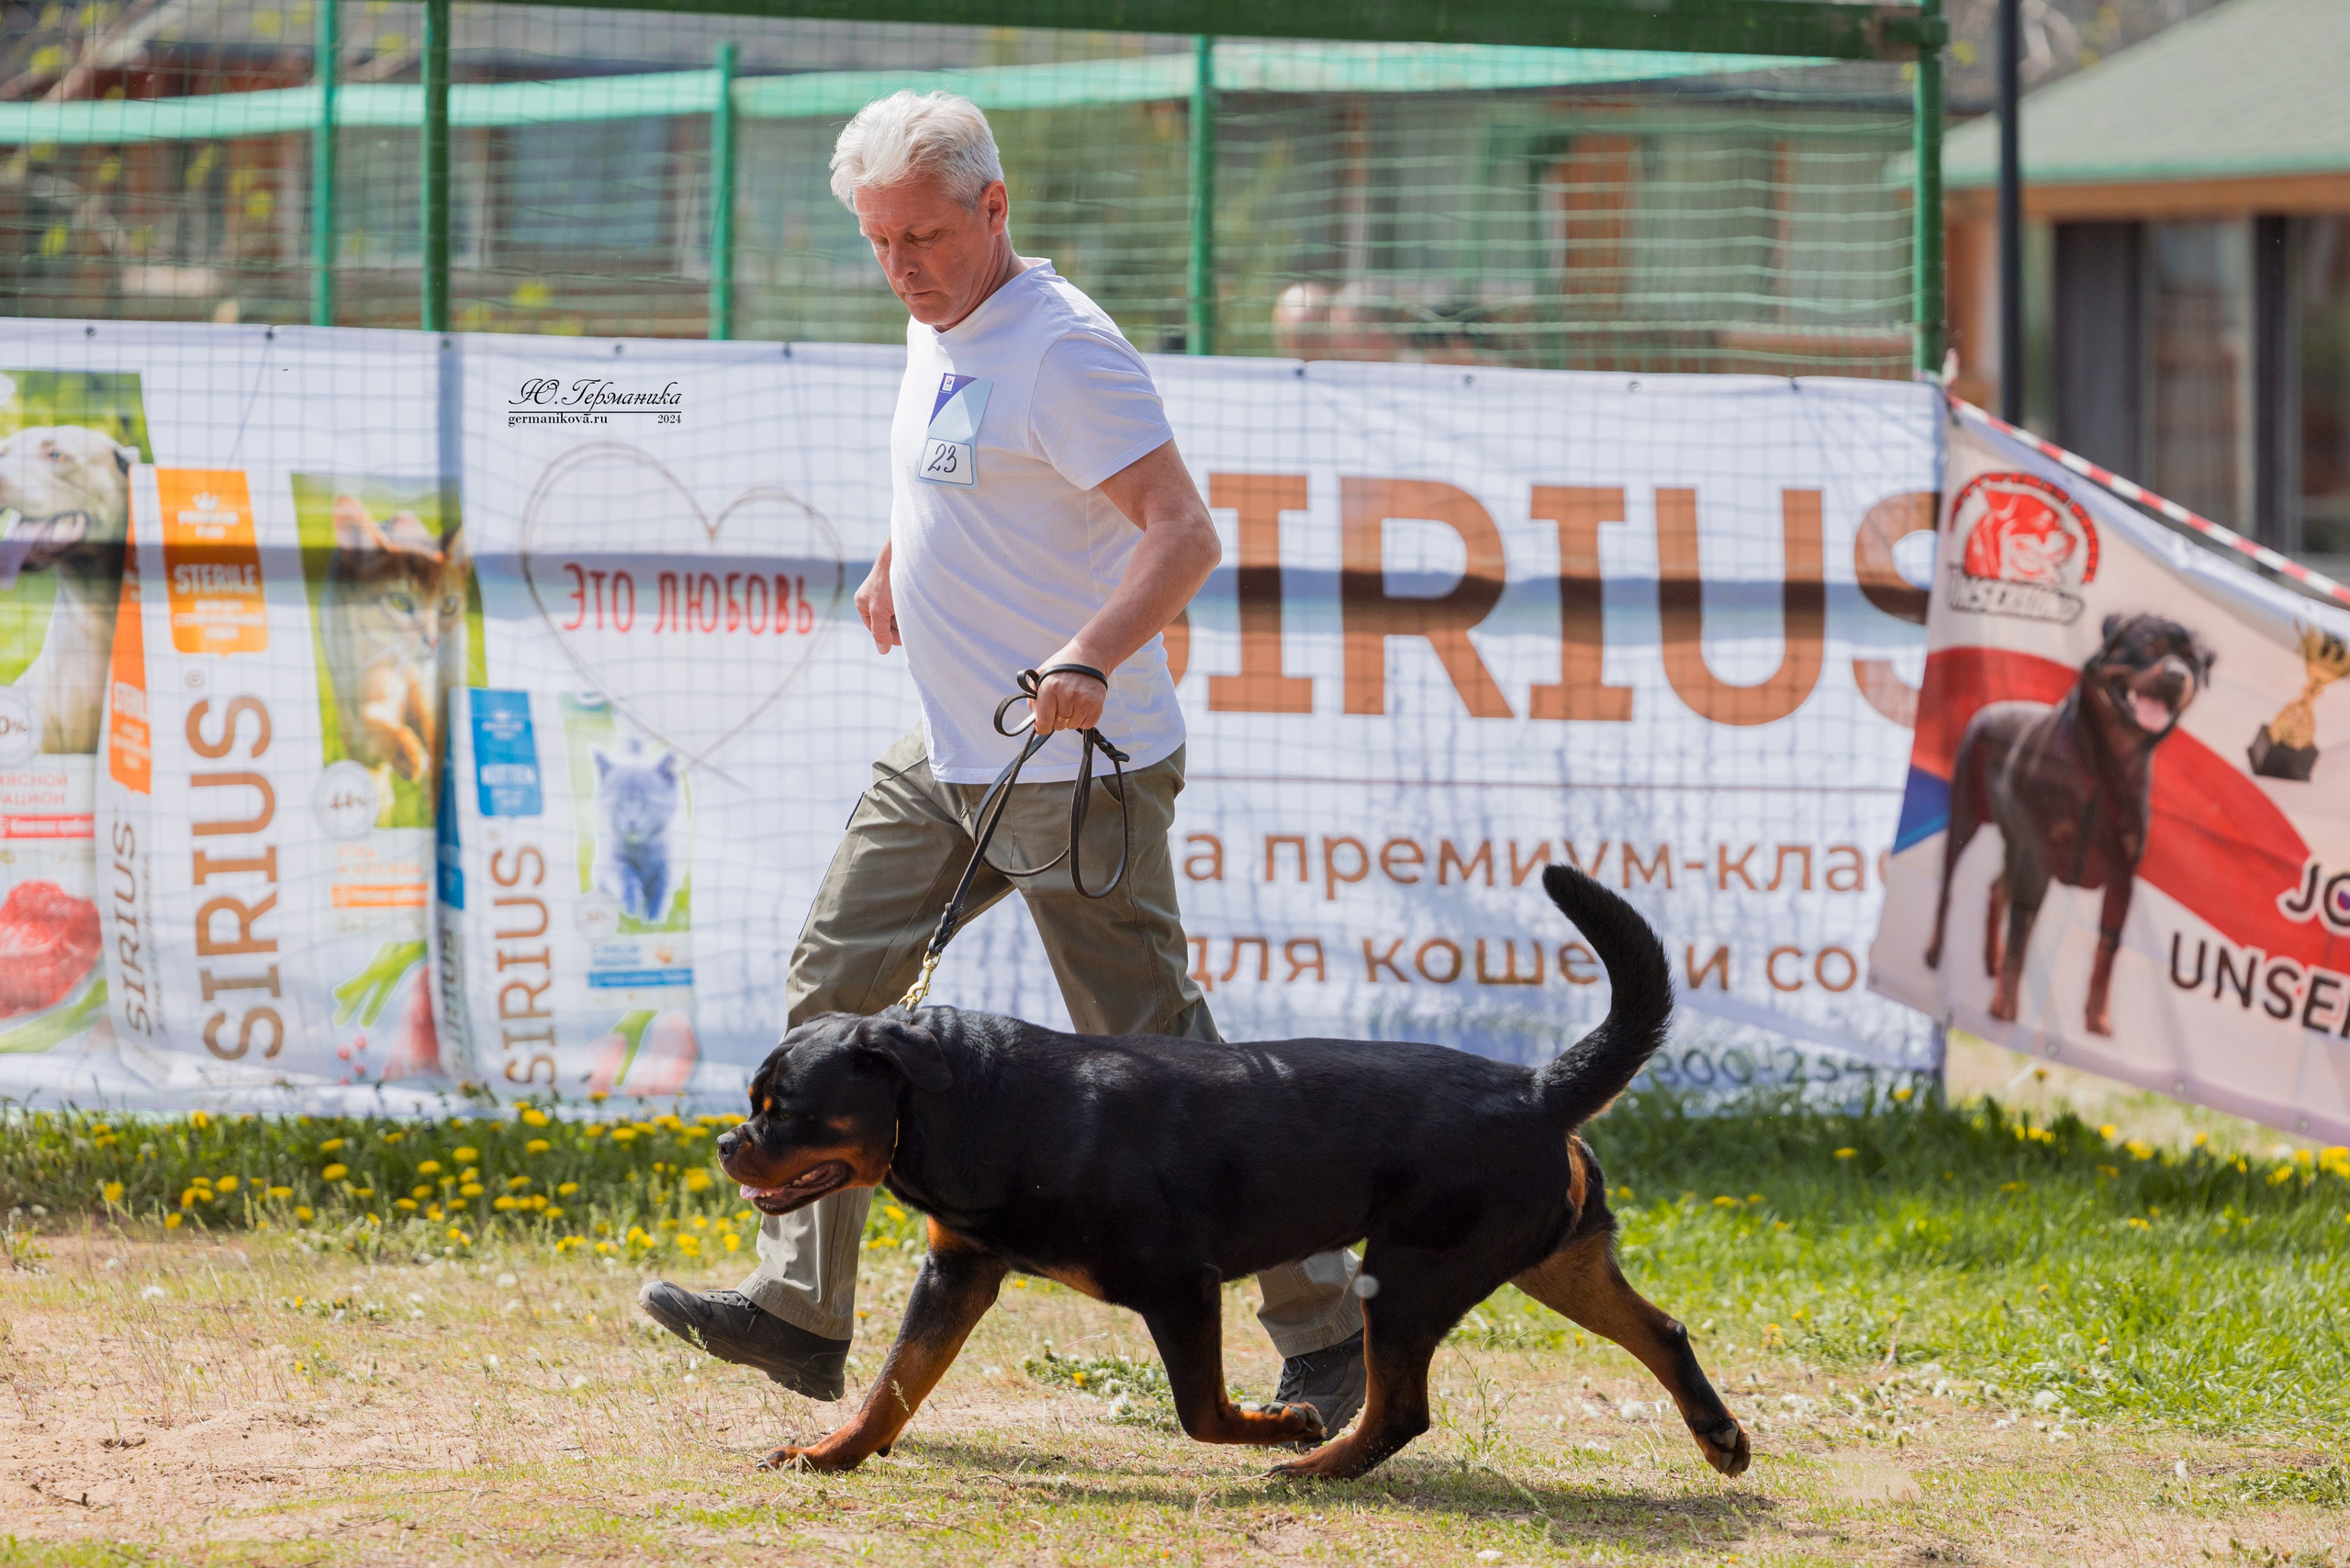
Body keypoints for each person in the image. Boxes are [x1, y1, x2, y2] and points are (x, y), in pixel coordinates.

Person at [639, 90, 1367, 1435]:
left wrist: (1090, 655)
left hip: (1075, 767)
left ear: (994, 208)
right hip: (949, 748)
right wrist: (896, 559)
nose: (901, 265)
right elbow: (965, 475)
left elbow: (1182, 534)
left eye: (922, 234)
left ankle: (1329, 1333)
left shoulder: (1066, 351)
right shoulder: (944, 321)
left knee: (1163, 1065)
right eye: (878, 241)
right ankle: (800, 1312)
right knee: (834, 993)